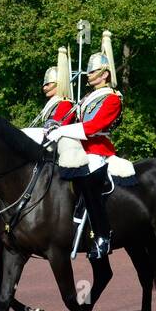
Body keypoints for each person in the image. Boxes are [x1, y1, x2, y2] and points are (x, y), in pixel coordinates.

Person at [45, 31, 122, 260]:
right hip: (80, 149)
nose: (89, 75)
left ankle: (102, 236)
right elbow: (68, 120)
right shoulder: (87, 98)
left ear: (105, 74)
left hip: (99, 151)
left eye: (93, 71)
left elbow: (93, 128)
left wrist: (61, 130)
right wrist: (53, 127)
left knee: (89, 181)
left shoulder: (112, 98)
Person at [38, 48, 76, 128]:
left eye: (48, 84)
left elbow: (55, 128)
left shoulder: (65, 104)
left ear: (58, 83)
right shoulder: (52, 104)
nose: (44, 88)